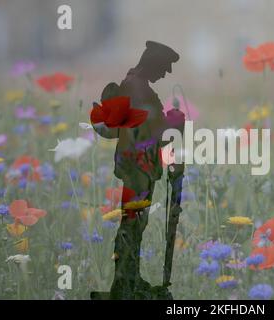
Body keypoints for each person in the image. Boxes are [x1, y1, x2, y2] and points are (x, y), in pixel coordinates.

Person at [91, 41, 185, 299]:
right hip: (138, 165)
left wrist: (169, 123)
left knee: (134, 224)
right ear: (153, 62)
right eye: (164, 67)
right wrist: (173, 123)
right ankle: (123, 286)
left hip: (140, 165)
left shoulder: (136, 85)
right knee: (132, 224)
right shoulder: (136, 88)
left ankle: (128, 280)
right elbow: (150, 132)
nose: (165, 74)